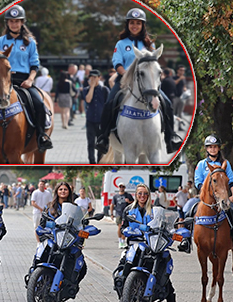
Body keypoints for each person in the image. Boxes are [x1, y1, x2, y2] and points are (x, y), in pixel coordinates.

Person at [96, 8, 182, 157]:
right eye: (132, 23)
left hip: (147, 82)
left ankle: (171, 137)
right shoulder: (121, 43)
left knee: (167, 103)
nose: (134, 26)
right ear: (127, 25)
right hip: (124, 80)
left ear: (143, 25)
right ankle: (103, 138)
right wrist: (126, 75)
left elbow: (152, 64)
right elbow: (117, 63)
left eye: (138, 23)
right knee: (110, 103)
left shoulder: (150, 44)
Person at [0, 4, 52, 151]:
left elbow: (35, 65)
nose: (14, 24)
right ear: (7, 23)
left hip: (24, 80)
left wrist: (30, 80)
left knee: (39, 103)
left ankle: (42, 136)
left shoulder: (30, 42)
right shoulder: (0, 42)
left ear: (22, 22)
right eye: (11, 21)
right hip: (4, 81)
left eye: (17, 21)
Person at [118, 183, 182, 302]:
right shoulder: (129, 210)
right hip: (134, 244)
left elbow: (164, 225)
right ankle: (123, 300)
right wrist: (127, 231)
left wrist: (172, 232)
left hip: (153, 245)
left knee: (164, 270)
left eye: (145, 193)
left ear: (148, 196)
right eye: (140, 193)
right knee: (122, 268)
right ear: (136, 195)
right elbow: (123, 227)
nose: (142, 196)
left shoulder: (154, 211)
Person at [195, 135, 233, 249]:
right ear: (207, 149)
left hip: (222, 196)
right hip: (205, 197)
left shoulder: (225, 163)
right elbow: (197, 181)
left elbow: (231, 180)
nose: (213, 149)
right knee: (188, 210)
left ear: (218, 148)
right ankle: (186, 239)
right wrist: (204, 190)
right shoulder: (201, 164)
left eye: (215, 147)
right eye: (210, 147)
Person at [82, 69, 110, 163]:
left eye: (95, 77)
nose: (93, 79)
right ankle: (92, 162)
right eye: (91, 77)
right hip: (90, 120)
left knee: (101, 143)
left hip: (101, 121)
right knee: (91, 143)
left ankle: (100, 161)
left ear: (99, 78)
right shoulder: (86, 90)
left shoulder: (104, 90)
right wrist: (92, 87)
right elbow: (88, 100)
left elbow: (108, 104)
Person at [111, 182, 133, 249]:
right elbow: (112, 205)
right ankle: (120, 240)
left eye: (122, 187)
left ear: (124, 188)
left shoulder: (128, 195)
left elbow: (134, 203)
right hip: (118, 213)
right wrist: (111, 214)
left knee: (125, 228)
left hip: (126, 213)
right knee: (119, 227)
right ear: (118, 188)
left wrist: (129, 201)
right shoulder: (115, 196)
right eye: (120, 187)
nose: (121, 188)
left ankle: (123, 240)